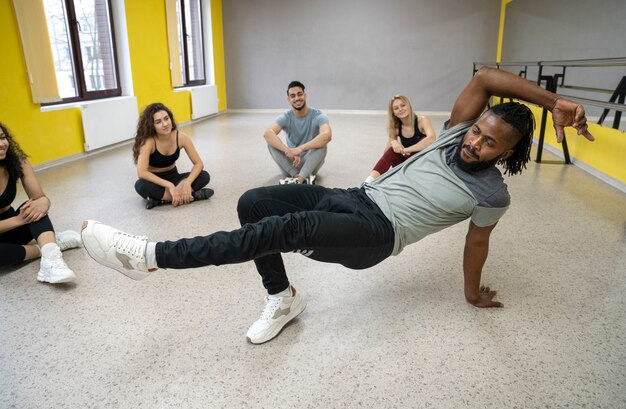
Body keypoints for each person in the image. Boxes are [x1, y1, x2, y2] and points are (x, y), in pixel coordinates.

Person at [81, 67, 594, 344]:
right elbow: (486, 79)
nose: (474, 143)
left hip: (378, 236)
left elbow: (476, 244)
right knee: (254, 202)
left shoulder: (492, 196)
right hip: (356, 196)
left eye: (488, 144)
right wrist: (553, 103)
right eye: (478, 131)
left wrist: (471, 294)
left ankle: (151, 255)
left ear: (508, 155)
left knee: (289, 225)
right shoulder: (454, 133)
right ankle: (281, 297)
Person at [0, 123, 81, 283]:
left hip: (13, 230)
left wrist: (43, 203)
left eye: (3, 137)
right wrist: (19, 220)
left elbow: (40, 198)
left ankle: (51, 261)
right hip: (11, 225)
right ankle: (48, 247)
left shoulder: (17, 161)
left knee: (33, 207)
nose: (2, 144)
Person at [133, 102, 214, 209]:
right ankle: (192, 196)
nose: (165, 124)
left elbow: (198, 164)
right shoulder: (148, 142)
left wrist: (187, 183)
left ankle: (159, 200)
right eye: (158, 122)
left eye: (166, 118)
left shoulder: (181, 137)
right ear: (151, 125)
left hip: (174, 176)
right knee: (141, 185)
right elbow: (141, 173)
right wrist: (169, 185)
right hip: (155, 180)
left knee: (204, 176)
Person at [263, 81, 332, 184]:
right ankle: (298, 177)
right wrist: (288, 151)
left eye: (300, 94)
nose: (297, 98)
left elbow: (327, 136)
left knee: (322, 144)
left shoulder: (318, 115)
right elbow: (267, 134)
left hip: (311, 162)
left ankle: (300, 179)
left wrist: (300, 149)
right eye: (293, 96)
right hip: (292, 164)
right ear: (289, 100)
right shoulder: (286, 117)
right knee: (271, 144)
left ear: (305, 95)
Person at [363, 94, 436, 184]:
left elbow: (431, 138)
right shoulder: (396, 128)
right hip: (408, 166)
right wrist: (393, 141)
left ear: (408, 105)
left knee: (419, 149)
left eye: (403, 105)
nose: (400, 109)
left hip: (423, 165)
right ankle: (368, 182)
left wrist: (405, 150)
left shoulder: (422, 120)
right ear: (393, 112)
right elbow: (386, 155)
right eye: (396, 108)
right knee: (392, 151)